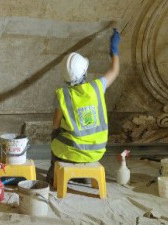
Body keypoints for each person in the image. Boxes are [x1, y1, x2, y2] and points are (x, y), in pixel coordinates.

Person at [46, 28, 121, 186]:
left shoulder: (63, 95)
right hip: (96, 151)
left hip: (69, 151)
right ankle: (84, 175)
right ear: (85, 73)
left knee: (55, 136)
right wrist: (114, 50)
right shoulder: (97, 87)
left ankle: (54, 173)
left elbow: (55, 125)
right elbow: (114, 70)